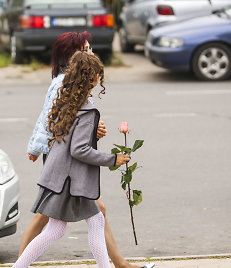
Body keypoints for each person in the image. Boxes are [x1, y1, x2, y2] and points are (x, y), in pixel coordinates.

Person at [23, 32, 154, 268]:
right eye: (85, 49)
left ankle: (118, 264)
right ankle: (20, 265)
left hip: (63, 166)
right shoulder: (64, 87)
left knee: (84, 218)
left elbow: (65, 124)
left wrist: (92, 130)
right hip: (66, 168)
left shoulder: (72, 92)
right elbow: (56, 128)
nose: (90, 52)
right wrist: (112, 158)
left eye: (89, 48)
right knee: (51, 222)